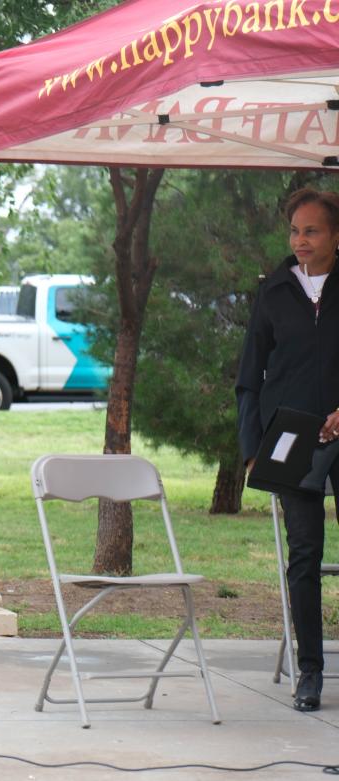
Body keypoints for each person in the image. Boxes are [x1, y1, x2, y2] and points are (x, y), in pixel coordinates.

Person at [236, 187, 339, 713]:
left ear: (336, 237)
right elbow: (249, 379)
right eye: (295, 230)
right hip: (292, 440)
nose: (301, 240)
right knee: (304, 558)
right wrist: (253, 448)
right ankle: (311, 674)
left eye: (312, 230)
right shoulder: (273, 292)